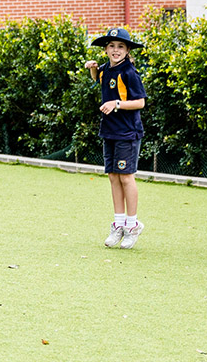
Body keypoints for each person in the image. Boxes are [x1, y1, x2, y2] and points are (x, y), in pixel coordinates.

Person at [85, 28, 147, 249]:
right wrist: (93, 70)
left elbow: (140, 102)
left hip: (127, 133)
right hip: (109, 131)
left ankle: (132, 225)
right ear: (106, 49)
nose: (116, 50)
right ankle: (118, 224)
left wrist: (117, 104)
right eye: (111, 46)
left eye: (120, 46)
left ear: (127, 50)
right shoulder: (105, 70)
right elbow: (100, 81)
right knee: (113, 176)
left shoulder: (130, 72)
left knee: (126, 177)